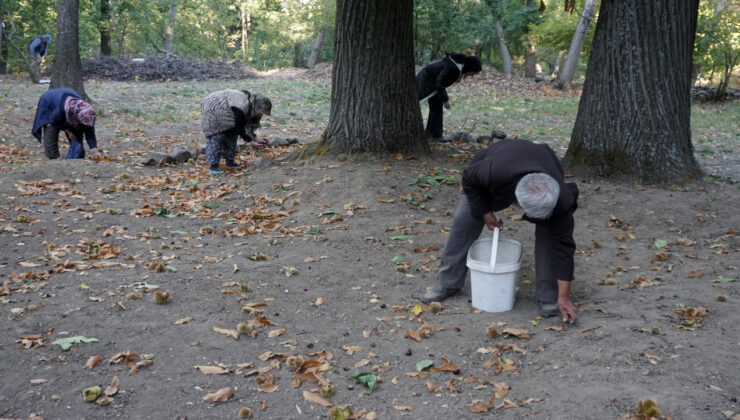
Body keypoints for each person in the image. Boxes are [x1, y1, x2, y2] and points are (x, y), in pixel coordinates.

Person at [421, 138, 580, 323]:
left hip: (541, 163)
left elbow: (564, 249)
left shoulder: (561, 199)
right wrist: (485, 212)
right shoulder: (491, 172)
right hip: (495, 170)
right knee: (465, 219)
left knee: (550, 232)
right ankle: (448, 283)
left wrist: (565, 296)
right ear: (519, 201)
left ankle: (550, 295)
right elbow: (468, 180)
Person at [200, 89, 272, 175]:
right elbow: (240, 128)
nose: (261, 115)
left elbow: (245, 126)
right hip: (213, 107)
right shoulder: (242, 106)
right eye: (260, 112)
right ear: (255, 107)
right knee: (216, 138)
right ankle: (213, 167)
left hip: (227, 110)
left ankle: (230, 162)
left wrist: (254, 137)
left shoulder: (249, 106)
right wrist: (251, 141)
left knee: (232, 136)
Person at [416, 53, 482, 141]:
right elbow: (440, 83)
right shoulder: (453, 68)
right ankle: (435, 135)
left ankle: (433, 135)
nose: (472, 75)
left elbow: (441, 83)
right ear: (470, 68)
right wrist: (445, 100)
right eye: (473, 73)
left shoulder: (455, 66)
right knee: (435, 107)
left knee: (437, 108)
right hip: (426, 82)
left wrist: (444, 98)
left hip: (431, 82)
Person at [31, 88, 102, 160]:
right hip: (49, 102)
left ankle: (78, 157)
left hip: (68, 108)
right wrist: (67, 131)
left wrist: (95, 151)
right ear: (78, 117)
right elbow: (53, 120)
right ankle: (52, 157)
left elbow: (89, 131)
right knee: (51, 129)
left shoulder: (87, 114)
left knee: (77, 133)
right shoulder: (62, 110)